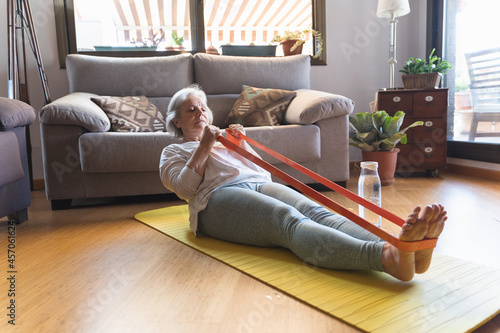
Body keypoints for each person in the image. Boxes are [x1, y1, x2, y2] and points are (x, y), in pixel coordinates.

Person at [159, 85, 447, 282]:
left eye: (203, 109)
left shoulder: (223, 141)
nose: (200, 114)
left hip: (256, 184)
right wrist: (205, 145)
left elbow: (263, 174)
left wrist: (242, 146)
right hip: (215, 201)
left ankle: (402, 249)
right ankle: (384, 258)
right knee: (287, 219)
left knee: (318, 210)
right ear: (177, 123)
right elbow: (184, 189)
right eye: (191, 111)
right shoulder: (172, 152)